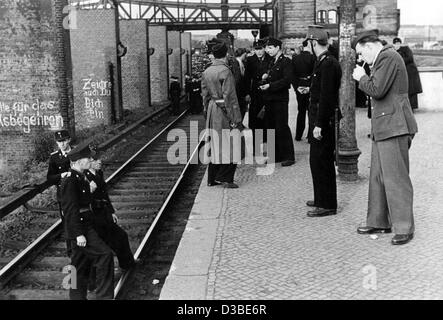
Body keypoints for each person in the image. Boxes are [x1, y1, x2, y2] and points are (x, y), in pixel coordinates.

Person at [352, 30, 418, 245]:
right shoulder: (384, 58)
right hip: (386, 125)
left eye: (361, 53)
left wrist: (361, 78)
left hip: (394, 125)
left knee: (396, 178)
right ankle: (379, 221)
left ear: (370, 46)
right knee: (379, 176)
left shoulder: (388, 57)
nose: (361, 59)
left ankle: (404, 227)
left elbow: (377, 90)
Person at [60, 144, 114, 300]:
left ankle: (76, 297)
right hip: (81, 228)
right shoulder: (70, 180)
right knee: (105, 254)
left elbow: (83, 202)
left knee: (79, 265)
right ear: (77, 161)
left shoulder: (80, 177)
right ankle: (104, 296)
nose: (90, 159)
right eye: (87, 158)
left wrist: (90, 191)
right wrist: (78, 234)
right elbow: (70, 210)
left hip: (85, 224)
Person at [305, 25, 342, 218]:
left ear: (313, 43)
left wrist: (319, 124)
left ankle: (327, 204)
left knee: (322, 161)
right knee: (316, 161)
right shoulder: (324, 61)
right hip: (318, 118)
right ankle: (320, 198)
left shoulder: (327, 63)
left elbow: (326, 97)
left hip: (322, 121)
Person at [201, 39, 243, 189]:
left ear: (213, 54)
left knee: (215, 143)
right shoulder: (225, 71)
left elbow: (204, 95)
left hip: (213, 109)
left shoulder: (207, 71)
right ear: (225, 54)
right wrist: (236, 119)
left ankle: (212, 178)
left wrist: (207, 112)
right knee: (231, 143)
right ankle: (225, 178)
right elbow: (230, 97)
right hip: (224, 111)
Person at [85, 155, 135, 271]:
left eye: (99, 159)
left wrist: (111, 211)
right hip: (96, 217)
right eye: (96, 160)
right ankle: (112, 269)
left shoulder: (98, 173)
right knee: (110, 243)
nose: (99, 162)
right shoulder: (86, 177)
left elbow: (104, 194)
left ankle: (127, 264)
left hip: (104, 213)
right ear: (89, 162)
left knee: (121, 236)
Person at [260, 37, 295, 167]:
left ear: (277, 48)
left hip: (280, 99)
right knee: (271, 127)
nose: (267, 50)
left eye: (270, 48)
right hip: (270, 99)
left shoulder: (286, 62)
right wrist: (265, 80)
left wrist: (270, 86)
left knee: (282, 127)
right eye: (267, 48)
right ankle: (275, 155)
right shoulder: (272, 62)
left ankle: (288, 156)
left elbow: (287, 80)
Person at [244, 39, 272, 155]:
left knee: (268, 118)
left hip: (267, 91)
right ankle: (256, 146)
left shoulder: (270, 59)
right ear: (253, 50)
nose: (259, 52)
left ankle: (268, 146)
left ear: (264, 49)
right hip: (255, 92)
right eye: (257, 50)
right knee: (255, 119)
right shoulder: (250, 60)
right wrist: (246, 93)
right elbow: (246, 78)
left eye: (260, 49)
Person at [292, 39, 316, 141]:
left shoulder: (295, 58)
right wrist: (310, 86)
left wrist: (297, 86)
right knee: (310, 111)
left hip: (299, 85)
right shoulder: (313, 58)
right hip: (309, 85)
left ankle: (298, 135)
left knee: (300, 111)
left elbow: (292, 75)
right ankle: (310, 136)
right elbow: (315, 73)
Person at [393, 37, 423, 110]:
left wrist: (399, 60)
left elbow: (410, 58)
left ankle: (411, 107)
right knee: (407, 90)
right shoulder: (395, 51)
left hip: (411, 73)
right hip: (405, 74)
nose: (397, 45)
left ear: (400, 43)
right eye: (395, 44)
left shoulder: (405, 49)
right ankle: (408, 107)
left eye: (398, 43)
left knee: (411, 91)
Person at [235, 48, 249, 119]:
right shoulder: (236, 63)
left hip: (240, 92)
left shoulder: (241, 63)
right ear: (243, 54)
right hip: (238, 92)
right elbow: (238, 80)